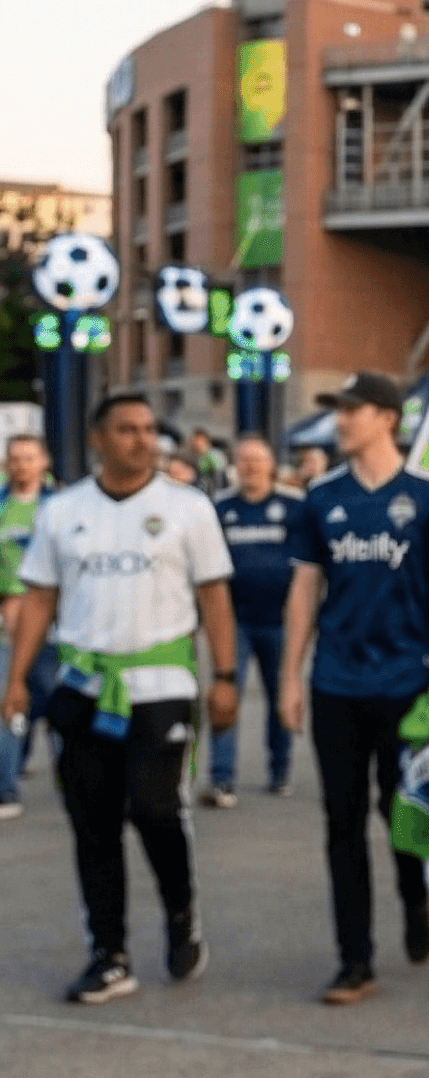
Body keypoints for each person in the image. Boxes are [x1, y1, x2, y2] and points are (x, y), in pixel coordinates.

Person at [3, 393, 237, 1004]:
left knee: (156, 810)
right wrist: (17, 679)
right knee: (93, 824)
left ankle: (181, 912)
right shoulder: (62, 511)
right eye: (126, 430)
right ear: (97, 437)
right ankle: (109, 953)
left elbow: (214, 596)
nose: (142, 440)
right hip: (81, 687)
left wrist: (226, 677)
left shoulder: (188, 508)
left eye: (147, 430)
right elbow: (39, 600)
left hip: (161, 687)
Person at [279, 373, 429, 1006]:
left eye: (352, 410)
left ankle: (416, 902)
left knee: (399, 811)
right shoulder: (320, 497)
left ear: (388, 417)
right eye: (337, 410)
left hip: (407, 684)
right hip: (336, 682)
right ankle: (354, 960)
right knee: (341, 822)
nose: (340, 421)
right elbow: (305, 589)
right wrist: (289, 677)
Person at [203, 435, 303, 804]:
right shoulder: (220, 507)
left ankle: (280, 770)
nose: (250, 468)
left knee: (280, 696)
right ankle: (222, 778)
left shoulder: (293, 506)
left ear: (271, 465)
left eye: (258, 461)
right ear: (234, 466)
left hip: (279, 620)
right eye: (244, 461)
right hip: (233, 621)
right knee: (226, 692)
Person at [0, 433, 58, 818]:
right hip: (7, 623)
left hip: (54, 625)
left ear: (44, 461)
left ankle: (77, 785)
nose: (22, 464)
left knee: (57, 705)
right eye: (15, 458)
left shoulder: (60, 507)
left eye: (29, 457)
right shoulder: (2, 506)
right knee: (8, 705)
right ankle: (7, 789)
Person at [187, 428, 229, 498]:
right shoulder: (190, 455)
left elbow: (219, 470)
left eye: (199, 440)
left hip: (214, 487)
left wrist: (205, 453)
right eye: (194, 440)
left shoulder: (215, 454)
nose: (196, 443)